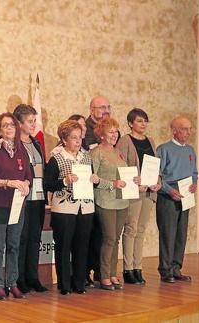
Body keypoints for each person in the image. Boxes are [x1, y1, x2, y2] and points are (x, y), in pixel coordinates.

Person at [0, 112, 33, 300]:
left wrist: (26, 184)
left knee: (14, 245)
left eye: (11, 125)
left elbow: (28, 176)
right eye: (4, 125)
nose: (9, 128)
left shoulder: (22, 150)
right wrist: (8, 182)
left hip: (18, 205)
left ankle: (12, 283)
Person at [44, 120, 97, 295]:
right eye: (73, 138)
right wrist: (65, 181)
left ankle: (79, 283)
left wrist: (94, 181)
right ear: (64, 139)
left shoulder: (86, 158)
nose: (77, 141)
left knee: (82, 247)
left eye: (79, 137)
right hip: (64, 210)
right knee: (64, 247)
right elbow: (48, 184)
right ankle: (64, 284)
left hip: (86, 208)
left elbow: (91, 183)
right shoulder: (56, 159)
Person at [115, 108, 161, 285]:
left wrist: (158, 180)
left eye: (145, 120)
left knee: (141, 230)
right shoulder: (125, 141)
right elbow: (121, 167)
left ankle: (138, 267)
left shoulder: (150, 140)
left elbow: (155, 165)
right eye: (140, 121)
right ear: (130, 123)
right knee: (131, 228)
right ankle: (128, 269)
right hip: (134, 191)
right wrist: (136, 181)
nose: (143, 124)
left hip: (150, 191)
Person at [91, 117, 133, 291]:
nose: (114, 135)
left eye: (116, 131)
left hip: (121, 201)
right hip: (105, 201)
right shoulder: (96, 153)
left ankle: (113, 274)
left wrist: (134, 179)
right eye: (110, 132)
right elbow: (92, 178)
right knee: (108, 238)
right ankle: (103, 275)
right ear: (101, 134)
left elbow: (124, 174)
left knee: (115, 239)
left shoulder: (119, 152)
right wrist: (112, 184)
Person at [156, 116, 198, 283]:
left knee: (181, 233)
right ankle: (166, 270)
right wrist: (169, 190)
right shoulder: (163, 149)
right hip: (168, 196)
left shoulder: (190, 150)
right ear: (174, 131)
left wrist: (195, 183)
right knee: (168, 234)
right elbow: (156, 176)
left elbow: (194, 171)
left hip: (185, 195)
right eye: (184, 129)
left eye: (190, 129)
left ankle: (176, 268)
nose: (188, 132)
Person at [13, 104, 48, 293]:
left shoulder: (36, 143)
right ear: (19, 123)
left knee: (35, 237)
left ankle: (33, 277)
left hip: (39, 196)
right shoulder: (14, 145)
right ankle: (20, 279)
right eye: (30, 121)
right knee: (22, 237)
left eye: (35, 121)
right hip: (23, 197)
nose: (34, 124)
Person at [84, 95, 114, 288]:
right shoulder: (84, 131)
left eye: (108, 107)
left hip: (108, 194)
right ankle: (87, 271)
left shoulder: (112, 133)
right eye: (101, 107)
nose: (106, 110)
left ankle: (100, 271)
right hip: (89, 192)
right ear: (92, 109)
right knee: (91, 235)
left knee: (103, 236)